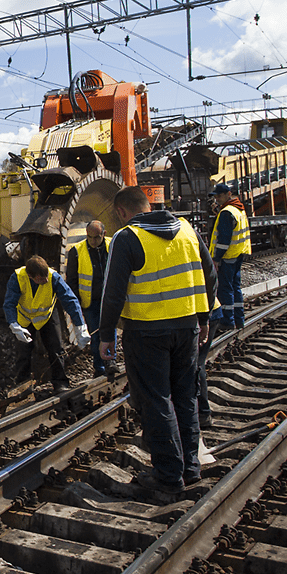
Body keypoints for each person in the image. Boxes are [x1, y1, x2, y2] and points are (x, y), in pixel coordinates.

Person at [98, 186, 217, 503]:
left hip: (147, 332)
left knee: (157, 400)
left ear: (123, 212)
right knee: (185, 397)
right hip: (187, 328)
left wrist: (106, 334)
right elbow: (209, 274)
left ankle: (168, 477)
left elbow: (113, 292)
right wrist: (203, 317)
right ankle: (190, 468)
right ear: (147, 205)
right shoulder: (188, 230)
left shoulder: (128, 237)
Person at [3, 255, 88, 391]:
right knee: (23, 353)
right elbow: (9, 304)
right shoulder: (17, 278)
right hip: (25, 319)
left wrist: (80, 326)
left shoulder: (53, 277)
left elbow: (70, 300)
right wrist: (14, 325)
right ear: (30, 275)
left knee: (56, 348)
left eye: (46, 276)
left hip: (46, 317)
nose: (46, 280)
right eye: (41, 278)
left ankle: (60, 382)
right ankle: (22, 385)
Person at [65, 221, 112, 377]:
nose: (92, 241)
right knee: (96, 334)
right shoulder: (77, 251)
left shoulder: (113, 245)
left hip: (110, 300)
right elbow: (72, 280)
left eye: (96, 238)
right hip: (90, 302)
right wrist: (77, 305)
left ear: (103, 235)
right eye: (89, 237)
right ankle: (100, 367)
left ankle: (110, 362)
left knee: (109, 331)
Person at [209, 183, 251, 330]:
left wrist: (216, 258)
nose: (217, 199)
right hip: (238, 253)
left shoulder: (227, 212)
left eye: (219, 196)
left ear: (228, 194)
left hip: (227, 256)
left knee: (225, 289)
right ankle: (239, 319)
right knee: (235, 287)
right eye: (216, 197)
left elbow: (224, 239)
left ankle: (227, 321)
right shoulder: (238, 208)